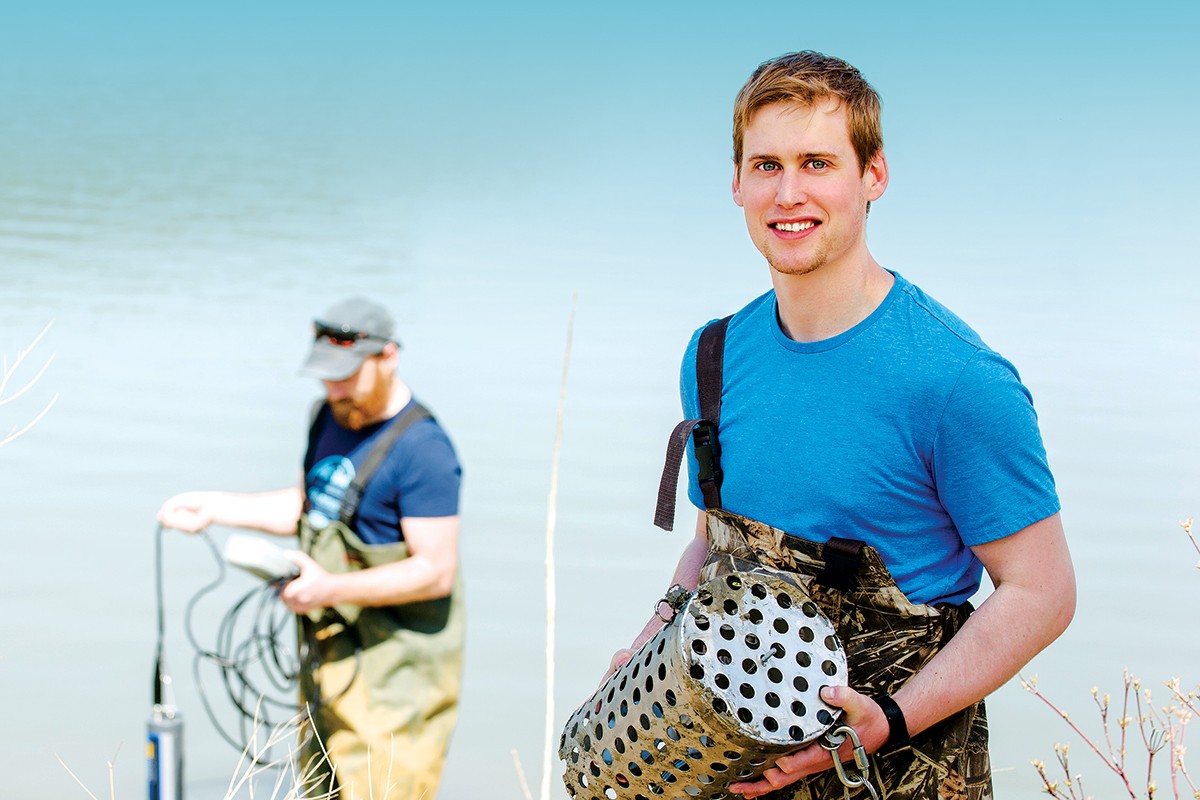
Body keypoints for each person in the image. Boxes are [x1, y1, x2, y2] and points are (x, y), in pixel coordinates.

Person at [611, 52, 1075, 799]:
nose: (788, 193)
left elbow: (1042, 592)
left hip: (896, 769)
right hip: (728, 763)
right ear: (735, 183)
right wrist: (650, 647)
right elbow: (715, 541)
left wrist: (888, 719)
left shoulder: (956, 380)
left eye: (818, 162)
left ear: (873, 176)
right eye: (766, 165)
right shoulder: (713, 355)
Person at [158, 296, 465, 800]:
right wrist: (214, 507)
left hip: (398, 681)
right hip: (328, 662)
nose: (335, 388)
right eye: (326, 376)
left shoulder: (425, 451)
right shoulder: (328, 416)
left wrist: (327, 589)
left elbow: (436, 571)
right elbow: (314, 504)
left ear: (388, 357)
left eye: (346, 375)